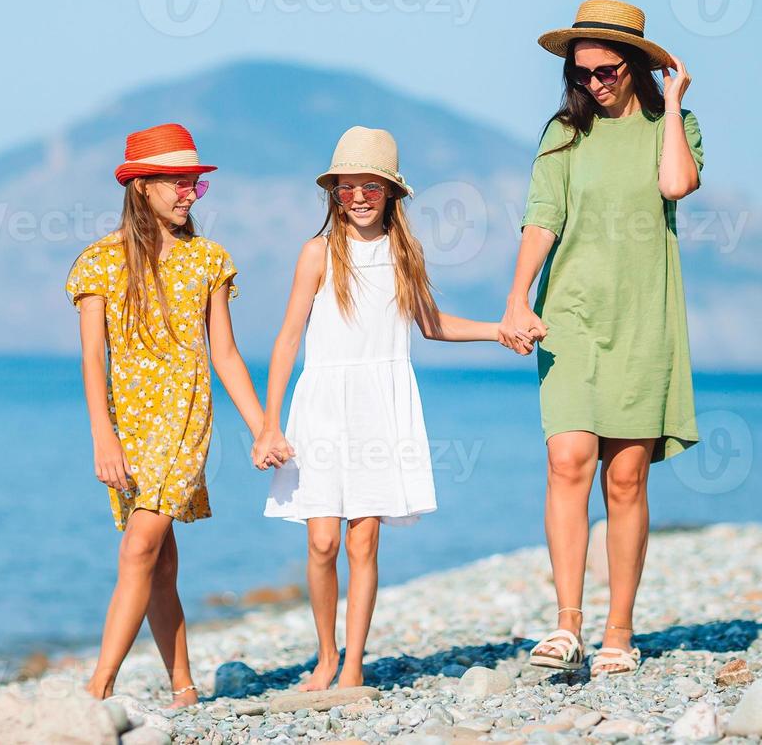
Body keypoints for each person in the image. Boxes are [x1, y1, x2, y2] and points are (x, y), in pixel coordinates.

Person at [496, 0, 704, 677]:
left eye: (607, 70)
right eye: (580, 73)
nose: (593, 83)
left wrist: (671, 104)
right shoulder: (561, 133)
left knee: (626, 477)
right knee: (568, 461)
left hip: (644, 319)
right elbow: (541, 218)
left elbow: (678, 182)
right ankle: (567, 627)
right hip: (572, 317)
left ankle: (620, 630)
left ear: (637, 64)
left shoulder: (672, 127)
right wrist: (517, 296)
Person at [263, 126, 503, 690]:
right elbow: (288, 338)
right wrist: (268, 424)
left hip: (379, 405)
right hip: (322, 405)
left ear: (391, 192)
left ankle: (352, 665)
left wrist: (500, 331)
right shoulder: (317, 253)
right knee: (322, 541)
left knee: (363, 539)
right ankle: (325, 654)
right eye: (348, 188)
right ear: (335, 194)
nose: (360, 198)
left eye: (372, 186)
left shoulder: (403, 252)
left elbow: (431, 325)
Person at [66, 122, 292, 706]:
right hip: (129, 429)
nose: (189, 191)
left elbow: (225, 354)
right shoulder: (98, 262)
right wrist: (103, 437)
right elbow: (92, 356)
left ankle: (99, 687)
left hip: (185, 421)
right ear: (141, 186)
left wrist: (263, 426)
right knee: (160, 561)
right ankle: (184, 687)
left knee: (138, 548)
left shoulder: (209, 260)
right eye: (178, 180)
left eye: (196, 182)